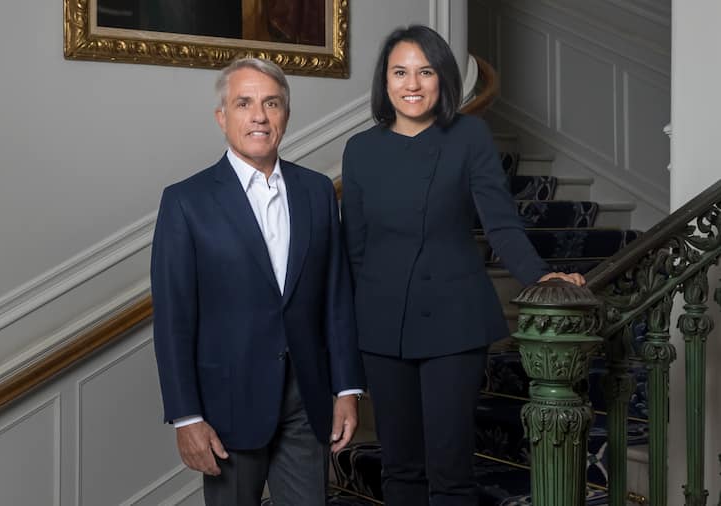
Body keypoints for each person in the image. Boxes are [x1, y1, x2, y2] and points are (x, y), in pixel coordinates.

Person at [339, 25, 585, 506]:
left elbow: (501, 224)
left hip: (454, 321)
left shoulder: (469, 135)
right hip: (383, 325)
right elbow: (355, 250)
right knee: (400, 468)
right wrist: (348, 337)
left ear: (442, 78)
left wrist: (540, 275)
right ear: (385, 82)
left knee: (451, 471)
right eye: (400, 72)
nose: (412, 84)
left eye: (425, 71)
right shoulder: (360, 150)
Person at [151, 57, 365, 506]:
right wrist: (186, 416)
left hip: (307, 399)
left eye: (271, 103)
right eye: (244, 103)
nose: (259, 116)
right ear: (222, 117)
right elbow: (174, 320)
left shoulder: (318, 191)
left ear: (285, 114)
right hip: (227, 406)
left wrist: (346, 389)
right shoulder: (186, 202)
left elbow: (336, 297)